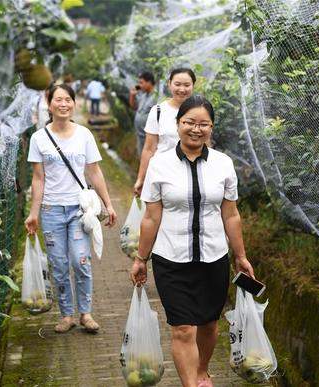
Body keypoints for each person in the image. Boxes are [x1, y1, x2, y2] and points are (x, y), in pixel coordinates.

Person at [130, 95, 255, 387]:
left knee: (209, 325)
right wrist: (140, 258)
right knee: (183, 329)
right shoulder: (159, 165)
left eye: (204, 124)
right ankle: (191, 383)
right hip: (170, 258)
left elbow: (231, 215)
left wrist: (241, 256)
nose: (196, 129)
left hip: (213, 257)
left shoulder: (223, 165)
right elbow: (150, 217)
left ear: (211, 128)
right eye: (189, 122)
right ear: (177, 125)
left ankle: (202, 371)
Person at [25, 83, 117, 334]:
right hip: (51, 210)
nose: (63, 104)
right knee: (59, 264)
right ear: (49, 103)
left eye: (68, 99)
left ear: (74, 103)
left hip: (79, 209)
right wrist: (33, 213)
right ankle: (67, 315)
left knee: (81, 260)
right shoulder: (39, 138)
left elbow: (94, 171)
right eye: (58, 100)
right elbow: (38, 178)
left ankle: (86, 313)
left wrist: (108, 204)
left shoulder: (84, 135)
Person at [133, 68, 196, 196]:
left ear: (193, 85)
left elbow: (207, 145)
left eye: (187, 85)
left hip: (191, 173)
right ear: (169, 84)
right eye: (177, 84)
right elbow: (149, 148)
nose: (182, 89)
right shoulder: (158, 111)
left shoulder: (200, 111)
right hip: (161, 173)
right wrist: (141, 178)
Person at [128, 71, 157, 155]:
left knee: (149, 159)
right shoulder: (143, 95)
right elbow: (134, 107)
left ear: (149, 82)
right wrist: (132, 95)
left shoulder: (156, 97)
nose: (139, 85)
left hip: (149, 138)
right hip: (140, 136)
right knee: (142, 158)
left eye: (141, 83)